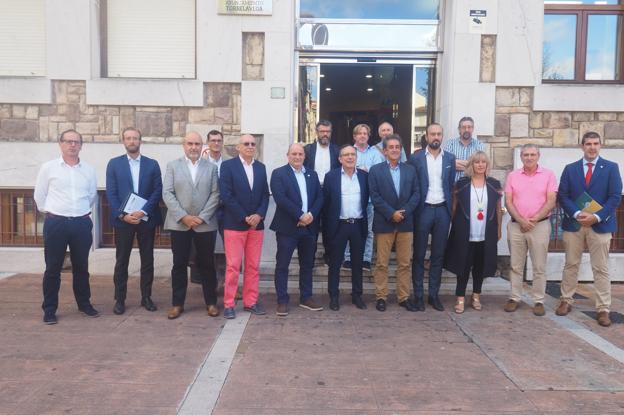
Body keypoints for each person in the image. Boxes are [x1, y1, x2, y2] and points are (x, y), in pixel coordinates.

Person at [556, 131, 622, 327]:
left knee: (600, 268)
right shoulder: (570, 169)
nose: (592, 147)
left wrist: (596, 216)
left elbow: (615, 196)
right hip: (575, 224)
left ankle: (603, 308)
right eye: (588, 144)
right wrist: (577, 214)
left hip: (600, 225)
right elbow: (563, 195)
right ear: (581, 146)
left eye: (595, 143)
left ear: (600, 145)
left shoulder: (611, 168)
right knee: (571, 264)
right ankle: (566, 300)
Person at [34, 129, 98, 324]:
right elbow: (39, 195)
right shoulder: (49, 168)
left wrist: (79, 213)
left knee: (81, 266)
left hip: (81, 222)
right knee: (53, 268)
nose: (72, 145)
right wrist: (52, 212)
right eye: (68, 141)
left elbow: (92, 196)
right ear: (60, 144)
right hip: (56, 223)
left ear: (81, 146)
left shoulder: (88, 170)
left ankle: (84, 304)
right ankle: (50, 309)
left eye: (76, 142)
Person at [162, 131, 220, 320]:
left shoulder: (211, 168)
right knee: (179, 264)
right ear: (183, 145)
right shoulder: (173, 166)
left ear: (202, 146)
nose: (193, 147)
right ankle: (177, 304)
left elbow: (215, 194)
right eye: (190, 144)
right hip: (180, 224)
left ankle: (211, 302)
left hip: (204, 225)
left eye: (197, 144)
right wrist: (184, 217)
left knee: (207, 264)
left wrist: (202, 217)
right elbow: (167, 193)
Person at [106, 127, 163, 315]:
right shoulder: (114, 164)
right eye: (128, 138)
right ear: (123, 141)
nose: (132, 141)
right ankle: (120, 299)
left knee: (147, 260)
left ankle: (146, 297)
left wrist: (143, 211)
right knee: (122, 261)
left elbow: (157, 191)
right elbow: (111, 193)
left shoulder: (152, 164)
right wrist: (122, 215)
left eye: (135, 138)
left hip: (146, 219)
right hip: (123, 221)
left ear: (141, 141)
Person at [219, 134, 270, 319]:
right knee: (233, 266)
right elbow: (226, 195)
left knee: (252, 266)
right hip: (234, 224)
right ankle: (229, 304)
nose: (250, 146)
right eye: (246, 144)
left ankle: (251, 302)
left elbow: (265, 194)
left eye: (252, 144)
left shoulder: (261, 167)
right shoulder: (228, 166)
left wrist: (259, 215)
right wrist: (244, 216)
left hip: (256, 225)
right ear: (238, 147)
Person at [444, 152, 502, 313]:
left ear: (487, 165)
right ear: (471, 165)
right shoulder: (462, 184)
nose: (480, 165)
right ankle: (460, 297)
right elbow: (454, 207)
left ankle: (476, 295)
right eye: (477, 162)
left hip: (485, 232)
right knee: (462, 266)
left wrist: (498, 229)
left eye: (483, 162)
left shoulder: (494, 184)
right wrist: (452, 229)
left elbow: (498, 209)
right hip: (465, 232)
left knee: (480, 267)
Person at [270, 143, 324, 316]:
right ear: (288, 155)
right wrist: (300, 215)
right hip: (288, 227)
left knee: (307, 265)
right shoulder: (279, 174)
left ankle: (306, 297)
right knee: (283, 265)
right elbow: (280, 198)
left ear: (304, 156)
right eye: (294, 153)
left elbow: (319, 197)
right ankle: (282, 300)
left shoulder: (312, 174)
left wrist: (310, 216)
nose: (297, 157)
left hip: (309, 227)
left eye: (300, 154)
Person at [504, 144, 557, 316]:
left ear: (538, 156)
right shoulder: (513, 176)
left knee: (539, 266)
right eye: (525, 155)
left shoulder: (548, 175)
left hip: (539, 226)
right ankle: (514, 297)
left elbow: (551, 201)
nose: (529, 157)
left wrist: (534, 219)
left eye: (532, 154)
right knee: (516, 265)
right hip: (516, 225)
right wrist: (520, 220)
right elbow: (508, 201)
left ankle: (539, 300)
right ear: (521, 157)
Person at [369, 134, 420, 312]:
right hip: (384, 222)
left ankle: (403, 297)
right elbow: (375, 196)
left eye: (397, 146)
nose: (394, 149)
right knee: (382, 263)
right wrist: (391, 214)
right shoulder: (375, 171)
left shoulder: (410, 170)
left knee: (404, 263)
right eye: (391, 147)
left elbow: (416, 194)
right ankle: (381, 296)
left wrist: (403, 213)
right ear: (385, 151)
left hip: (406, 223)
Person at [409, 123, 456, 311]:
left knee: (438, 255)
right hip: (423, 210)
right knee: (419, 254)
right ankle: (419, 295)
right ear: (426, 136)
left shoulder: (450, 158)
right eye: (432, 134)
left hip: (443, 211)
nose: (436, 137)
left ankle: (433, 295)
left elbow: (450, 185)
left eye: (439, 134)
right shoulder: (416, 158)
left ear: (442, 136)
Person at [323, 145, 369, 311]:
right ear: (340, 159)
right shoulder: (331, 177)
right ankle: (334, 296)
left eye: (352, 154)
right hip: (339, 225)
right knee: (335, 263)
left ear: (356, 157)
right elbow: (325, 204)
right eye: (346, 155)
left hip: (357, 224)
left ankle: (357, 295)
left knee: (357, 263)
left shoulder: (364, 177)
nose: (350, 157)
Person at [342, 123, 384, 271]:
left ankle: (366, 259)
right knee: (347, 228)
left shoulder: (375, 153)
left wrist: (365, 170)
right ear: (354, 136)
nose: (362, 136)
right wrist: (365, 170)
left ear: (368, 136)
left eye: (365, 133)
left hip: (369, 199)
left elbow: (378, 173)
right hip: (350, 198)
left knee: (369, 231)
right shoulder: (348, 151)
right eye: (359, 133)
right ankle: (348, 258)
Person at [303, 120, 340, 265]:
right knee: (311, 225)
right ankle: (309, 258)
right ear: (317, 132)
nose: (325, 134)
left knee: (330, 224)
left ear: (331, 133)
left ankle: (329, 255)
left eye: (328, 131)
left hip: (331, 192)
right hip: (312, 191)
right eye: (322, 131)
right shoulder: (308, 150)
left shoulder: (337, 151)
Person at [442, 116, 484, 182]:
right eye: (463, 127)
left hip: (472, 186)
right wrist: (471, 164)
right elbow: (446, 164)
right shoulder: (450, 143)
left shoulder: (479, 145)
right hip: (453, 187)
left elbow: (480, 166)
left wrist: (455, 162)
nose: (466, 130)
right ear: (459, 129)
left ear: (472, 129)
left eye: (469, 127)